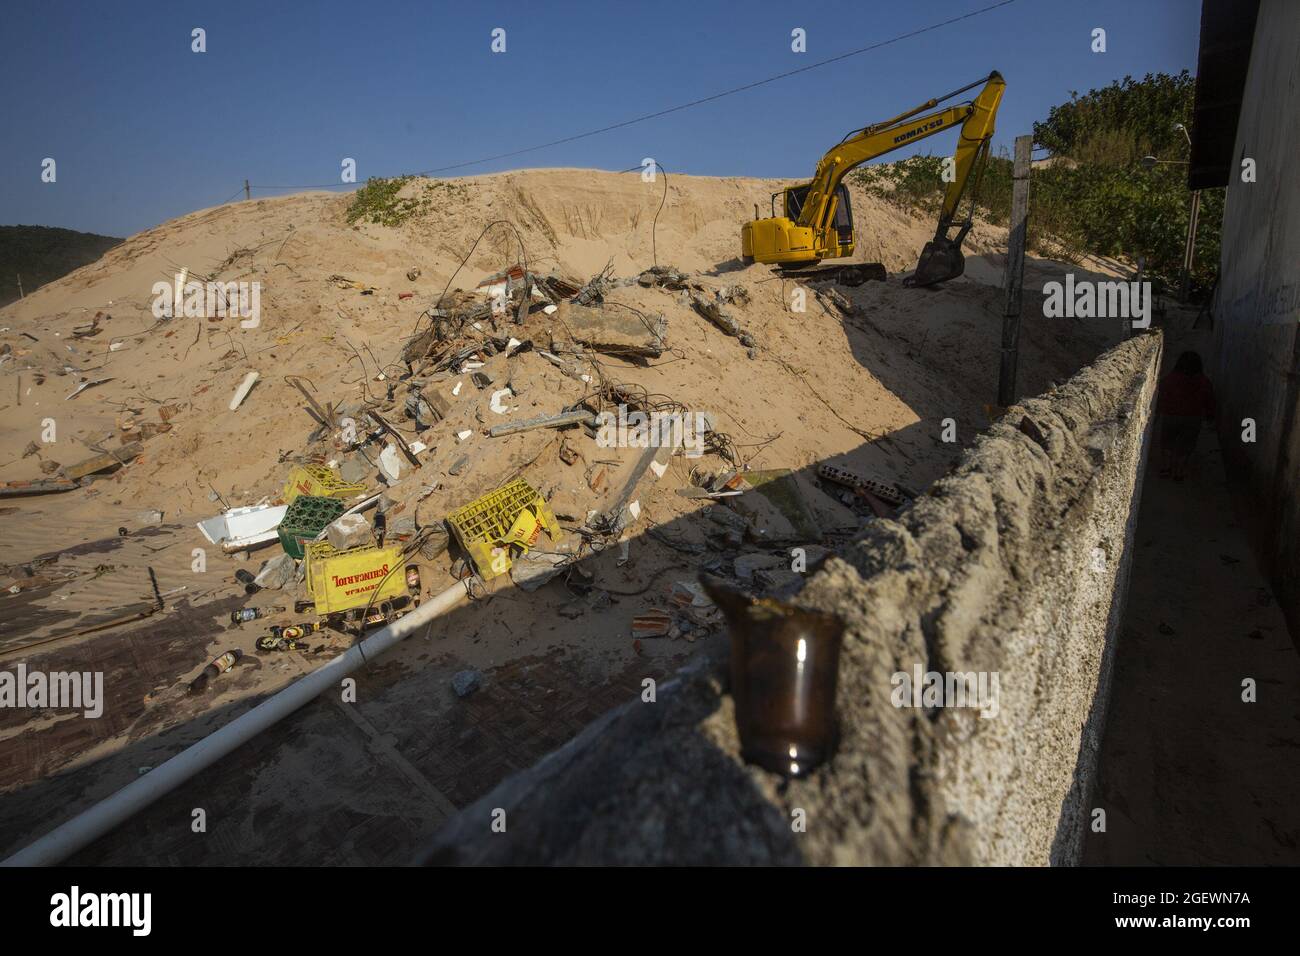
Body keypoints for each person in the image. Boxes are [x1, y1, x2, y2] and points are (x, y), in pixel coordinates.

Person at [1156, 350, 1215, 481]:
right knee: (1186, 447)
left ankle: (1166, 468)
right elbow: (1209, 400)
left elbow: (1162, 394)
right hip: (1193, 419)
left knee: (1167, 443)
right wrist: (1210, 417)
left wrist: (1158, 413)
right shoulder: (1204, 381)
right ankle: (1179, 472)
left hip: (1171, 416)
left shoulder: (1171, 379)